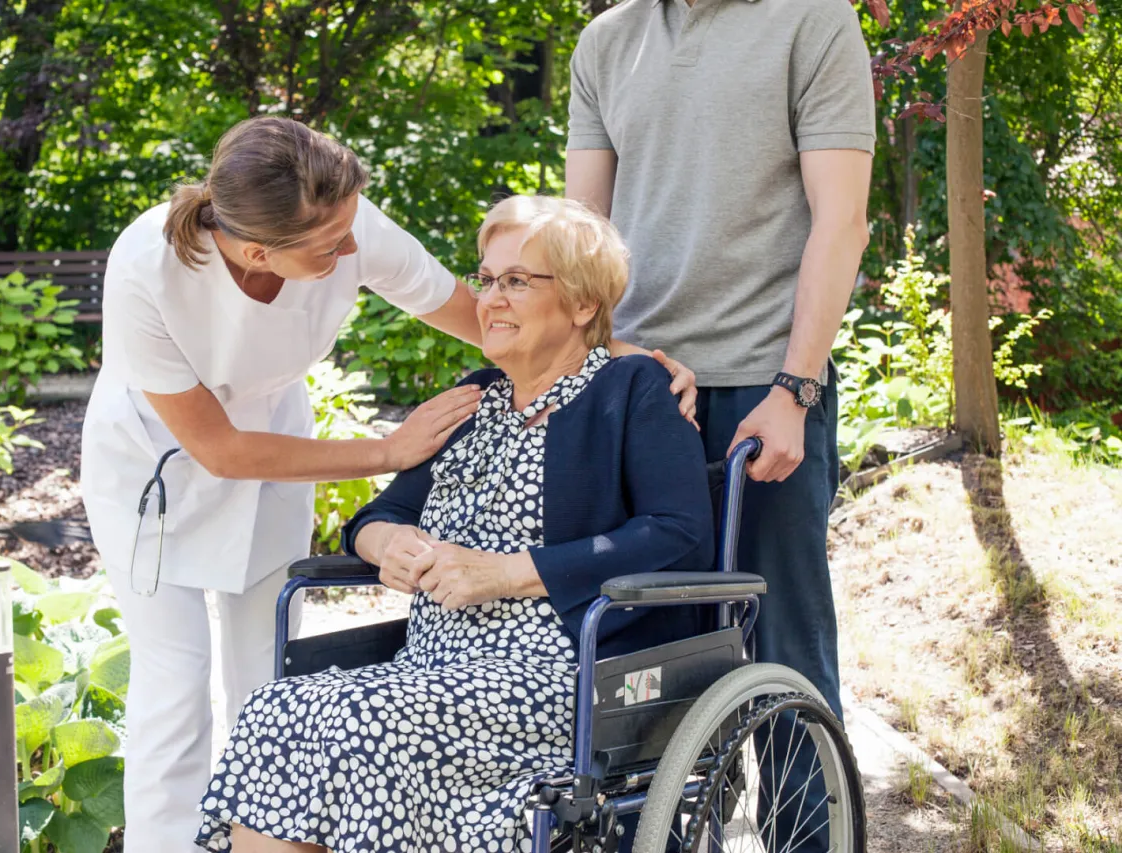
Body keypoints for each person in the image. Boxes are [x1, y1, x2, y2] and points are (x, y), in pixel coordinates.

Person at [79, 118, 697, 853]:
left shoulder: (626, 393)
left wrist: (620, 360)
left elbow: (675, 526)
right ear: (256, 250)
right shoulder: (149, 269)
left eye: (515, 281)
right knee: (222, 699)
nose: (351, 249)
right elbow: (278, 470)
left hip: (550, 664)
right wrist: (389, 527)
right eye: (489, 277)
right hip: (165, 467)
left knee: (311, 707)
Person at [563, 0, 875, 848]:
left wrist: (795, 388)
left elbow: (841, 220)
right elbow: (580, 238)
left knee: (780, 647)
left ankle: (809, 838)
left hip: (760, 390)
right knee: (634, 660)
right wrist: (619, 354)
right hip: (638, 388)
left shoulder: (813, 22)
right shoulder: (607, 40)